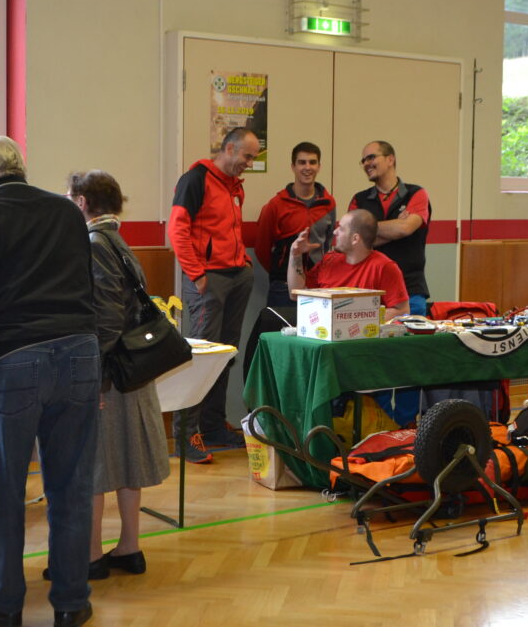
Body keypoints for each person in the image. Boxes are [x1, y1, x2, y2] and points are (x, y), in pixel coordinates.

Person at [0, 137, 99, 627]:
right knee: (71, 486)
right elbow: (87, 289)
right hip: (79, 352)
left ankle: (5, 600)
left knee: (4, 488)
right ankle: (71, 603)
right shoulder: (67, 213)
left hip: (9, 362)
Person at [66, 170, 167, 581]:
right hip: (129, 367)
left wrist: (94, 377)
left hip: (108, 372)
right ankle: (129, 548)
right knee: (126, 459)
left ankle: (91, 556)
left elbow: (105, 319)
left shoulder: (93, 243)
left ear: (82, 202)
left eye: (69, 198)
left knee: (94, 465)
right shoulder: (117, 240)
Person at [168, 127, 258, 461]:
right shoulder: (195, 180)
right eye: (247, 156)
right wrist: (197, 274)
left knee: (225, 354)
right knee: (201, 356)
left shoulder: (234, 186)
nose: (249, 163)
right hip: (208, 281)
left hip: (236, 277)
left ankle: (213, 426)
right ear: (229, 148)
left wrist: (243, 261)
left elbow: (228, 230)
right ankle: (185, 436)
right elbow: (177, 229)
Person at [244, 142, 335, 374]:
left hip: (317, 290)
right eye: (302, 162)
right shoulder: (276, 205)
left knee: (313, 348)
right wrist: (283, 272)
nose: (307, 167)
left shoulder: (329, 203)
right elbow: (262, 249)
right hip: (282, 290)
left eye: (312, 162)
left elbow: (328, 245)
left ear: (319, 166)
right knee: (280, 350)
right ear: (293, 166)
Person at [352, 141, 431, 316]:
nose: (366, 164)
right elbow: (354, 242)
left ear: (390, 159)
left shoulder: (416, 193)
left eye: (371, 157)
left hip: (410, 290)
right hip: (370, 291)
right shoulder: (359, 199)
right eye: (363, 160)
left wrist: (367, 230)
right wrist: (395, 226)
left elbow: (405, 228)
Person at [286, 209, 410, 317]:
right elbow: (296, 294)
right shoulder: (329, 260)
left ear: (355, 238)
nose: (334, 232)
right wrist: (295, 254)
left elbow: (402, 311)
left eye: (341, 228)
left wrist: (355, 319)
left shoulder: (384, 267)